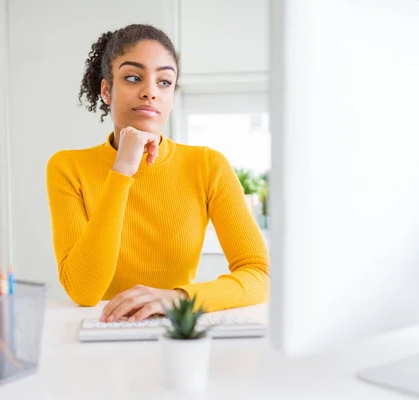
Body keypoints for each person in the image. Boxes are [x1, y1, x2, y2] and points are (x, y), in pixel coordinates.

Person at [46, 24, 269, 323]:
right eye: (133, 78)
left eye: (164, 82)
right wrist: (122, 169)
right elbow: (84, 292)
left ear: (172, 98)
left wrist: (178, 298)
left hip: (176, 330)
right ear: (106, 90)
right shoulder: (68, 167)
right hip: (104, 329)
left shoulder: (208, 165)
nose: (150, 91)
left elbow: (260, 274)